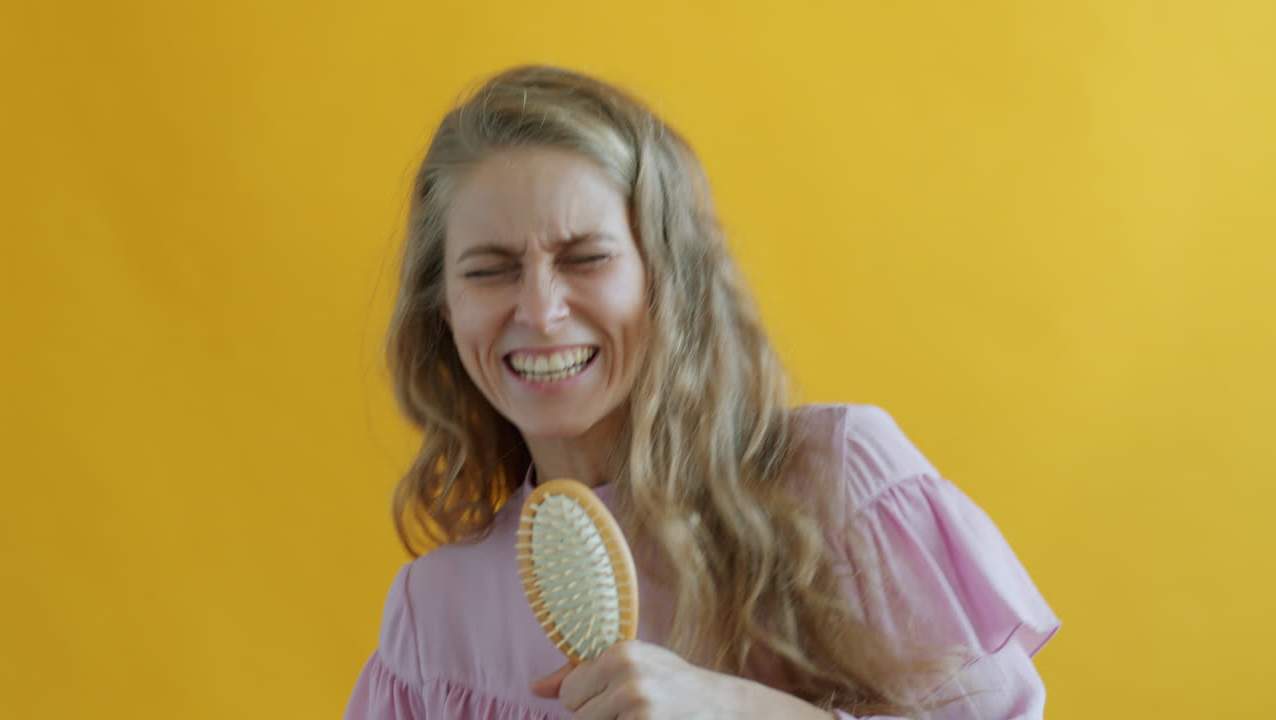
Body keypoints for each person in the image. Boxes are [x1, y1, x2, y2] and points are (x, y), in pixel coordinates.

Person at [345, 65, 1060, 720]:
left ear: (667, 279)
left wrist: (745, 711)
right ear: (444, 310)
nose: (538, 310)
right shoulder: (431, 623)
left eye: (586, 258)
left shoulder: (839, 483)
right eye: (489, 269)